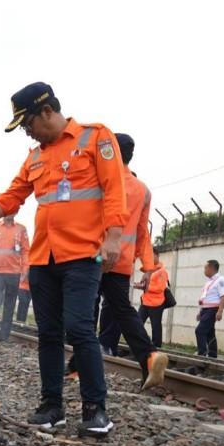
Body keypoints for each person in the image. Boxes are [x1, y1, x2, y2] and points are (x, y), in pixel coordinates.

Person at [0, 82, 126, 437]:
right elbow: (9, 199)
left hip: (83, 255)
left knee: (81, 328)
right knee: (49, 334)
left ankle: (95, 409)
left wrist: (114, 237)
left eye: (27, 123)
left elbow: (114, 189)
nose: (26, 131)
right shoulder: (35, 156)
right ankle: (52, 406)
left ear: (47, 112)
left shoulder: (95, 137)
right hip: (43, 259)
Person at [71, 133, 168, 391]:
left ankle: (79, 367)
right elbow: (142, 232)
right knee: (123, 311)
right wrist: (147, 266)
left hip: (93, 256)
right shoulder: (143, 190)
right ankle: (149, 355)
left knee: (85, 312)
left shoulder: (101, 180)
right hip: (122, 261)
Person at [195, 260, 224, 358]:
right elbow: (205, 298)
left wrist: (220, 311)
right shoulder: (209, 282)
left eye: (205, 268)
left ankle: (202, 353)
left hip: (212, 310)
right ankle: (213, 355)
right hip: (205, 310)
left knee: (199, 330)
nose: (204, 270)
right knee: (210, 333)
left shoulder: (221, 280)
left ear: (211, 268)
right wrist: (200, 312)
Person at [137, 250, 169, 347]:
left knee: (156, 326)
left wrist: (144, 287)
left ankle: (157, 346)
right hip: (146, 301)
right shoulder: (149, 270)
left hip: (157, 303)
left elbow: (160, 288)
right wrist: (140, 285)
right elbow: (146, 283)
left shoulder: (162, 271)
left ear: (158, 256)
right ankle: (142, 342)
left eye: (152, 256)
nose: (150, 258)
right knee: (137, 322)